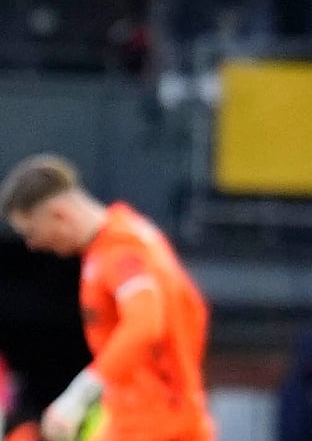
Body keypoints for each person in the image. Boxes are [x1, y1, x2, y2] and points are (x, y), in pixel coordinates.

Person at [0, 154, 215, 441]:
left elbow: (145, 323)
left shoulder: (121, 250)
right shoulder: (121, 238)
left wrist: (79, 394)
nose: (32, 245)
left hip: (157, 425)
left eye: (32, 232)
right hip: (146, 418)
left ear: (59, 214)